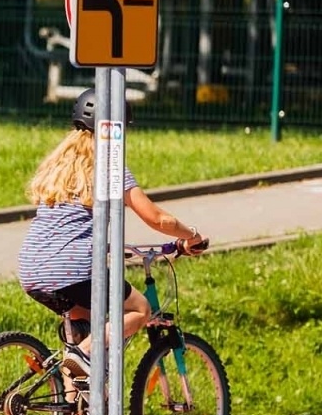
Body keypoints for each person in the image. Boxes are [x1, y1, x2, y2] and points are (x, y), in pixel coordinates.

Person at [16, 87, 207, 377]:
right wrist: (191, 236)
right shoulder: (110, 166)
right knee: (139, 310)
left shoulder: (57, 166)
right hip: (74, 270)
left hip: (31, 270)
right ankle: (84, 354)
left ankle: (75, 412)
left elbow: (69, 226)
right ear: (114, 130)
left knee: (82, 329)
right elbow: (156, 218)